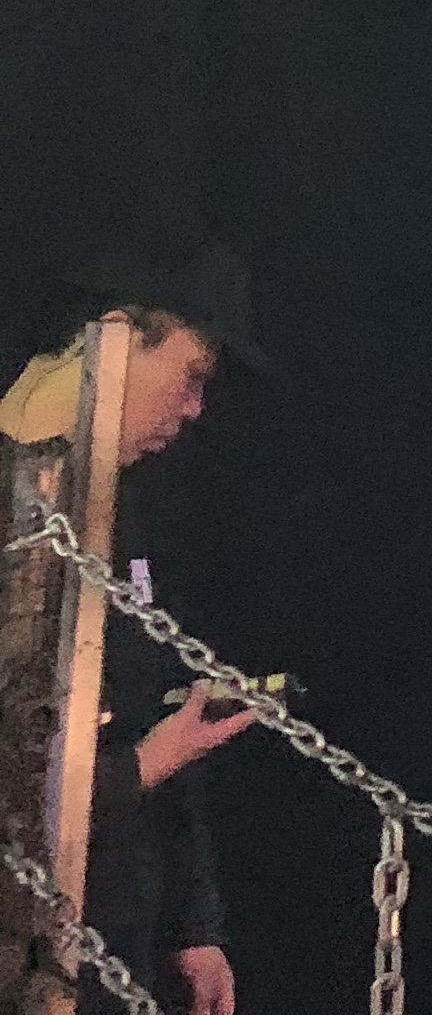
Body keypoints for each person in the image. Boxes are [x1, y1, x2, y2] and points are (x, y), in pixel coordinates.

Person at [0, 252, 257, 1015]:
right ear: (115, 338)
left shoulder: (125, 514)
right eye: (191, 375)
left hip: (118, 936)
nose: (195, 410)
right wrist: (141, 768)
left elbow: (157, 698)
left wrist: (194, 924)